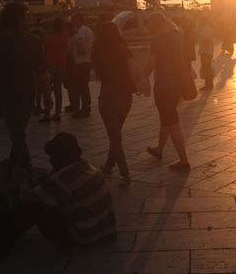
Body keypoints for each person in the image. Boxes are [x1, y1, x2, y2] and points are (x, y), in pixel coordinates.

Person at [1, 133, 117, 249]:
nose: (51, 160)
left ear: (61, 157)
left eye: (53, 156)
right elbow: (47, 182)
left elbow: (27, 198)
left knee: (33, 205)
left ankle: (5, 237)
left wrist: (22, 180)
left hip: (84, 236)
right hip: (105, 232)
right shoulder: (87, 167)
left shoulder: (64, 178)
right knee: (43, 194)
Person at [0, 1, 52, 170]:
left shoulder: (0, 42)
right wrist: (48, 96)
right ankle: (25, 170)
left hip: (5, 94)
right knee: (19, 133)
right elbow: (42, 71)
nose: (29, 18)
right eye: (26, 15)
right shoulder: (33, 41)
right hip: (28, 93)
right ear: (20, 18)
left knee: (17, 133)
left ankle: (15, 167)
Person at [145, 13, 190, 170]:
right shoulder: (176, 36)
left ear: (154, 25)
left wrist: (142, 78)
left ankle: (184, 161)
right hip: (176, 83)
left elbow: (151, 63)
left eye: (149, 24)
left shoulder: (158, 40)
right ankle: (159, 149)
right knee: (167, 117)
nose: (147, 27)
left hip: (164, 84)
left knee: (171, 120)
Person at [93, 22, 136, 187]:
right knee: (116, 134)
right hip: (125, 98)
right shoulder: (125, 49)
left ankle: (125, 174)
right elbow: (133, 71)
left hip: (108, 97)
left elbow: (96, 75)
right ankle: (109, 165)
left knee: (115, 137)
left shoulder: (98, 51)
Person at [40, 17, 68, 123]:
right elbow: (66, 51)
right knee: (58, 91)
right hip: (60, 66)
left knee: (47, 91)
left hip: (49, 66)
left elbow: (44, 51)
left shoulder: (48, 38)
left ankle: (47, 113)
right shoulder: (65, 38)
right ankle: (57, 113)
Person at [69, 11, 94, 118]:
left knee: (81, 87)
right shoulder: (88, 30)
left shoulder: (80, 31)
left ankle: (85, 110)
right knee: (84, 86)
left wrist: (79, 52)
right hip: (87, 61)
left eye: (73, 20)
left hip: (80, 62)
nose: (72, 22)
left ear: (77, 20)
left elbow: (81, 43)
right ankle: (85, 108)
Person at [198, 16, 214, 91]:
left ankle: (209, 84)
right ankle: (208, 84)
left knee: (207, 68)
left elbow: (207, 40)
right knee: (206, 68)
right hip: (206, 51)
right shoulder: (206, 28)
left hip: (206, 52)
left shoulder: (206, 29)